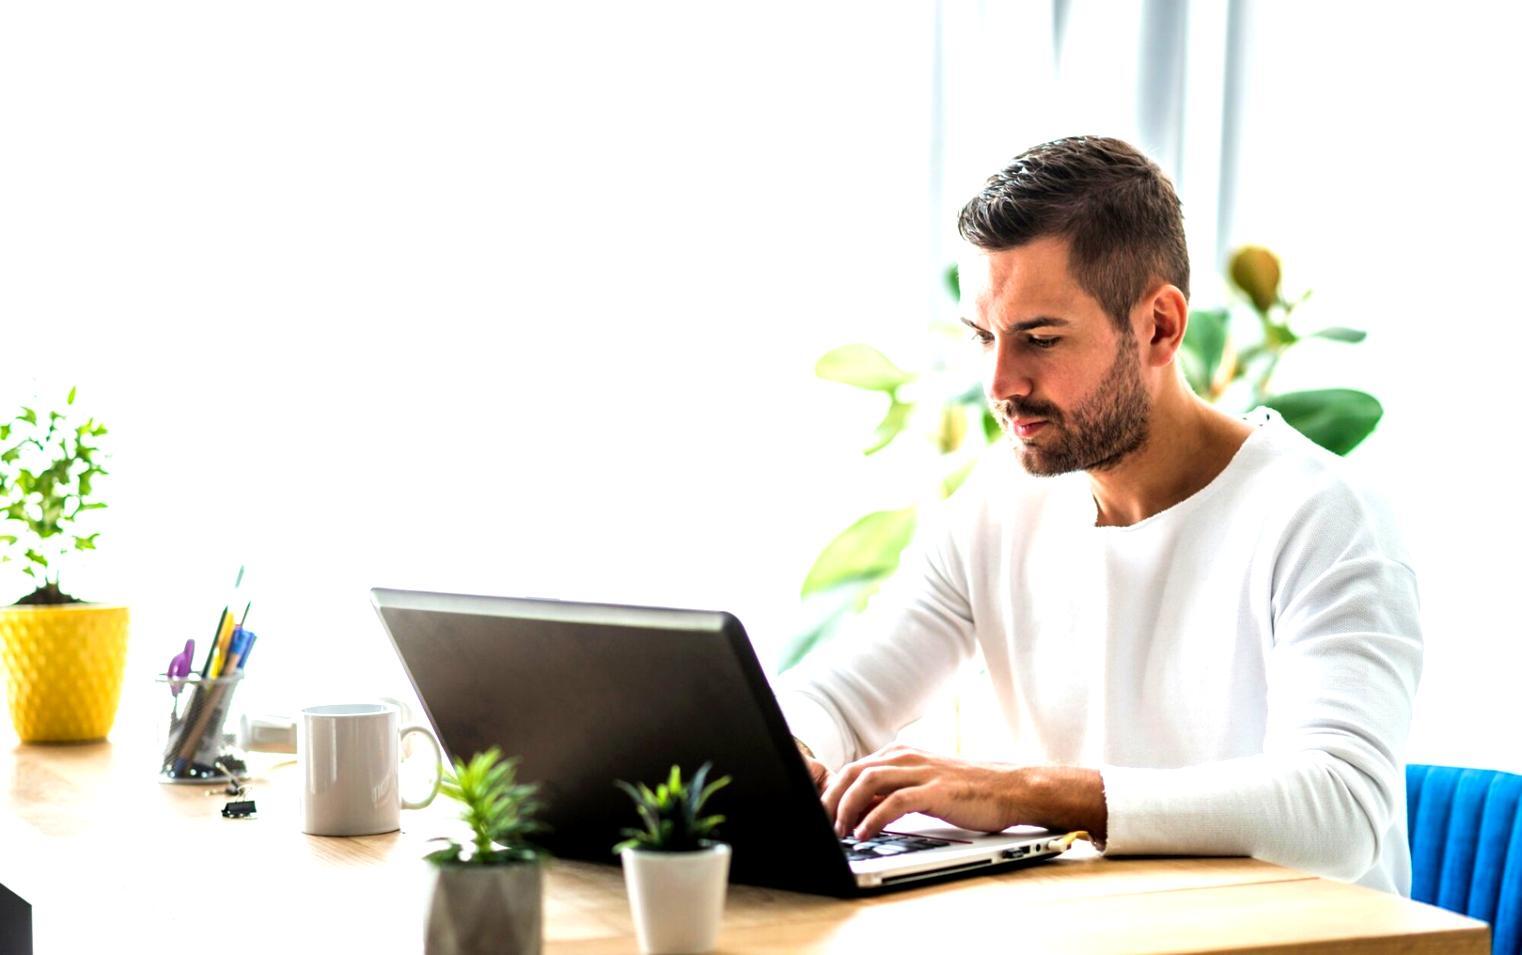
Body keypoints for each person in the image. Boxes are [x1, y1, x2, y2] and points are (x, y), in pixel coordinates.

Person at [779, 136, 1422, 894]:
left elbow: (1339, 812)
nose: (999, 381)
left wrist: (1025, 793)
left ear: (1159, 326)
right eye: (984, 336)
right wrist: (786, 748)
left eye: (1039, 339)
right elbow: (836, 699)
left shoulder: (1322, 518)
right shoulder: (995, 511)